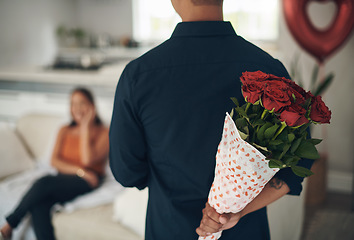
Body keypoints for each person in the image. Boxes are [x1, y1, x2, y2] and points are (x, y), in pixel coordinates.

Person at [109, 0, 313, 239]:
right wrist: (237, 211)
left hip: (170, 229)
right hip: (245, 232)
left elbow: (127, 173)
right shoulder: (269, 69)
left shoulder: (138, 76)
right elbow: (301, 159)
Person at [0, 87, 109, 240]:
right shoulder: (64, 129)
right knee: (40, 205)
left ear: (92, 106)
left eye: (82, 103)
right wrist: (80, 171)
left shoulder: (104, 132)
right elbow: (55, 161)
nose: (77, 108)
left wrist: (85, 127)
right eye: (73, 104)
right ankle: (10, 227)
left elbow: (87, 160)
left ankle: (9, 225)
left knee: (43, 182)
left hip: (89, 180)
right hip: (73, 176)